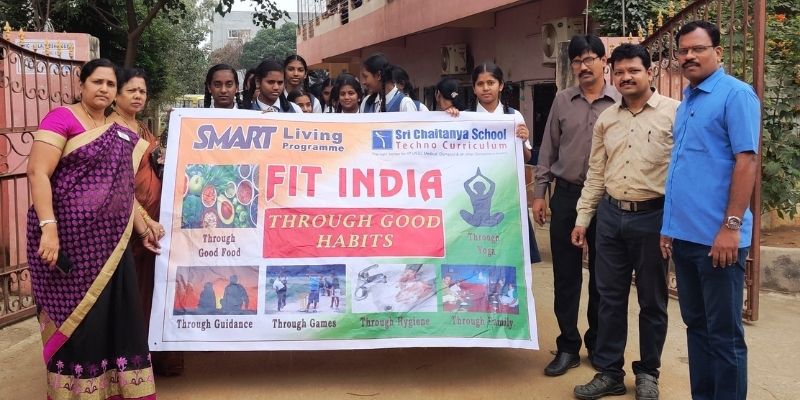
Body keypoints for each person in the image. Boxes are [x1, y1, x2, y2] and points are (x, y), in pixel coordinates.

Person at [26, 58, 159, 399]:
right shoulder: (62, 118)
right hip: (70, 243)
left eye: (110, 84)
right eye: (97, 82)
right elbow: (38, 173)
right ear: (81, 84)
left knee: (120, 321)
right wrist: (49, 229)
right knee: (82, 323)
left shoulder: (121, 134)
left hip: (113, 247)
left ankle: (119, 390)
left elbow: (124, 191)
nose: (104, 89)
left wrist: (143, 228)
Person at [570, 44, 679, 400]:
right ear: (612, 75)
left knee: (652, 301)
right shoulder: (607, 120)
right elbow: (596, 174)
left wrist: (675, 223)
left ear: (650, 72)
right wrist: (583, 218)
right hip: (610, 217)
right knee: (609, 298)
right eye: (619, 72)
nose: (626, 77)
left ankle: (648, 373)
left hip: (653, 218)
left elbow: (683, 172)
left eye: (633, 70)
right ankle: (609, 372)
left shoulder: (674, 114)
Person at [660, 20, 760, 400]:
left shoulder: (736, 95)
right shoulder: (688, 101)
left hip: (719, 241)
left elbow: (746, 161)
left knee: (724, 336)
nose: (688, 56)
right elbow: (683, 167)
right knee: (697, 328)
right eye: (683, 50)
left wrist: (731, 227)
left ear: (717, 52)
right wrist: (668, 226)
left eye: (697, 49)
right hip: (685, 238)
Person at [533, 35, 620, 377]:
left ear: (603, 61)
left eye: (589, 59)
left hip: (607, 200)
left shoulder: (620, 101)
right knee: (566, 276)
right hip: (567, 197)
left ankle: (597, 343)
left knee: (604, 277)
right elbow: (547, 149)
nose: (583, 66)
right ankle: (568, 345)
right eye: (577, 61)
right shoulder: (562, 100)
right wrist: (540, 193)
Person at [107, 67, 184, 376]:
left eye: (142, 91)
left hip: (155, 221)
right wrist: (142, 219)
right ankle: (131, 362)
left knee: (153, 288)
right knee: (130, 292)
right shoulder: (110, 130)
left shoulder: (141, 128)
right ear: (116, 95)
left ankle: (156, 355)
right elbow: (117, 185)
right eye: (131, 90)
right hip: (127, 223)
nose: (138, 96)